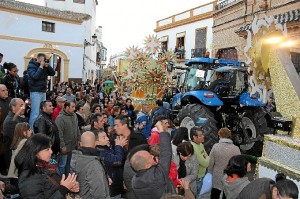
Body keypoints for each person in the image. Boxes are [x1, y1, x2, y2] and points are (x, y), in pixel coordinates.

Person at [15, 133, 79, 198]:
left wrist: (69, 188)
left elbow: (53, 189)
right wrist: (63, 189)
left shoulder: (42, 167)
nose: (51, 152)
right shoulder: (28, 178)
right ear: (35, 151)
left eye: (50, 148)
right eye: (47, 149)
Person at [130, 121, 176, 198]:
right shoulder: (157, 176)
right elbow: (166, 154)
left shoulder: (135, 181)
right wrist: (161, 131)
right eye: (150, 157)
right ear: (147, 165)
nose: (152, 156)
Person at [71, 131, 110, 199]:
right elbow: (99, 193)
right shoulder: (93, 164)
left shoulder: (73, 158)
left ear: (80, 143)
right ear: (95, 143)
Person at [207, 127, 241, 199]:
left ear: (220, 136)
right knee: (226, 194)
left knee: (215, 193)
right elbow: (239, 164)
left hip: (217, 175)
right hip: (230, 176)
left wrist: (209, 172)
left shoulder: (215, 147)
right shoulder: (236, 149)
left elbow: (210, 163)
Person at [97, 129, 127, 198]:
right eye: (104, 137)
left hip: (116, 187)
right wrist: (119, 146)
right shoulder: (101, 152)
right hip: (112, 190)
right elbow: (117, 161)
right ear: (96, 141)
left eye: (107, 136)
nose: (107, 139)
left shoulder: (106, 149)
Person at [28, 53, 56, 129]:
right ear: (39, 59)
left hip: (43, 91)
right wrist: (40, 67)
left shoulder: (44, 66)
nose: (44, 61)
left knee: (41, 112)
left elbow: (53, 73)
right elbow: (35, 76)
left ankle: (39, 129)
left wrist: (48, 66)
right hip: (35, 91)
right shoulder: (31, 66)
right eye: (43, 60)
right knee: (35, 113)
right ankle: (32, 130)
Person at [55, 101, 81, 175]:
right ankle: (61, 180)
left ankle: (67, 178)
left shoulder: (74, 115)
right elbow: (59, 133)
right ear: (67, 107)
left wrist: (78, 139)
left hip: (72, 145)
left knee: (68, 164)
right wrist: (62, 146)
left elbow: (77, 128)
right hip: (65, 146)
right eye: (72, 107)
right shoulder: (60, 118)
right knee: (62, 164)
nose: (74, 109)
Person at [3, 98, 28, 173]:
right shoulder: (10, 121)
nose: (24, 107)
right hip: (15, 159)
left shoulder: (19, 118)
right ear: (13, 108)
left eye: (24, 105)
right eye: (21, 105)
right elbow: (18, 141)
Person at [190, 126, 209, 196]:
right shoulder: (193, 147)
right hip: (196, 178)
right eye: (200, 135)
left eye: (202, 134)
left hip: (201, 175)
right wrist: (206, 158)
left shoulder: (200, 144)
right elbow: (205, 163)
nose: (203, 136)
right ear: (194, 137)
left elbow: (206, 156)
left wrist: (206, 158)